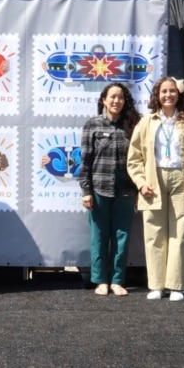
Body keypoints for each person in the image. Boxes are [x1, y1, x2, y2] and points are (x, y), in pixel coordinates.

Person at [127, 77, 184, 301]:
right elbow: (134, 158)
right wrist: (141, 183)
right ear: (157, 95)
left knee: (181, 233)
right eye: (164, 91)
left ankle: (177, 286)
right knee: (154, 233)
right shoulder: (146, 122)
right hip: (154, 178)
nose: (168, 95)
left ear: (178, 95)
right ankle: (157, 285)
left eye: (172, 91)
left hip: (183, 178)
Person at [78, 83, 140, 296]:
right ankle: (100, 281)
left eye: (120, 97)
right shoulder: (92, 125)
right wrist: (86, 191)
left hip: (126, 190)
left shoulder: (133, 125)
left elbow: (140, 159)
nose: (116, 101)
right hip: (99, 189)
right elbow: (85, 162)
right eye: (112, 97)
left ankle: (117, 280)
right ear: (104, 100)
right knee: (99, 236)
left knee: (122, 237)